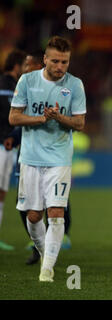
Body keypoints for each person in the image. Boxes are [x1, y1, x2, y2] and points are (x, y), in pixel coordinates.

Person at [9, 36, 86, 282]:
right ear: (45, 59)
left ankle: (47, 269)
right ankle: (45, 253)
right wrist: (41, 119)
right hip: (30, 158)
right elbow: (14, 117)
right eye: (55, 61)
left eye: (64, 62)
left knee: (55, 213)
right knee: (34, 216)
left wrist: (59, 118)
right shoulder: (27, 81)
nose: (60, 67)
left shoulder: (75, 85)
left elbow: (80, 123)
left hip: (59, 158)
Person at [0, 49, 26, 251]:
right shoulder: (8, 86)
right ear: (17, 66)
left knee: (2, 193)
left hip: (9, 146)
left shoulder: (15, 86)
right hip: (2, 145)